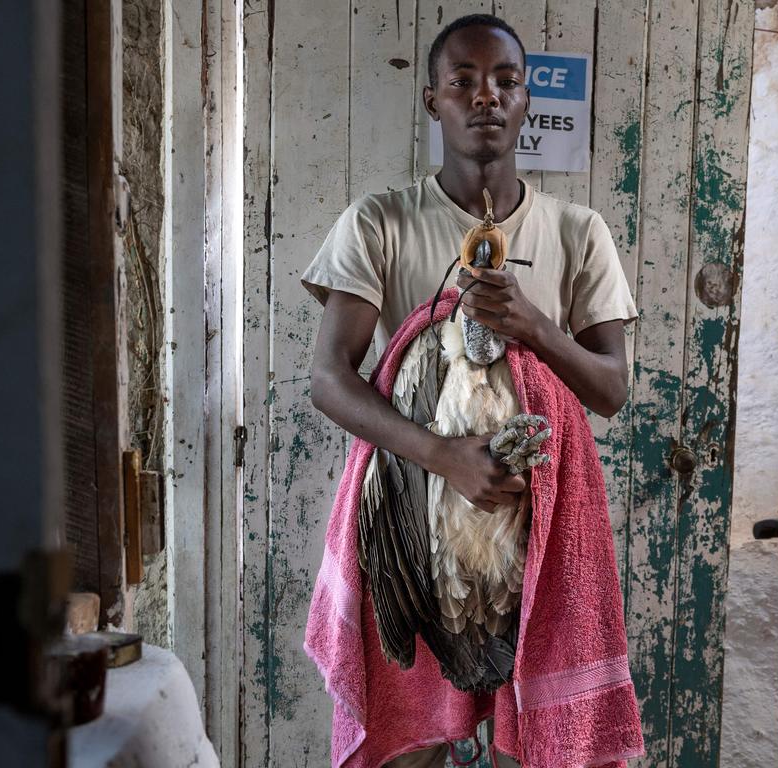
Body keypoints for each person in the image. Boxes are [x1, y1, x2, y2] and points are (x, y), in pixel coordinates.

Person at [301, 13, 638, 767]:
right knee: (408, 743)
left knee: (536, 746)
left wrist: (537, 327)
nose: (484, 96)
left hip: (541, 525)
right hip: (414, 522)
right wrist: (443, 456)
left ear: (526, 103)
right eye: (463, 81)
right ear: (433, 101)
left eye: (505, 82)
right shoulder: (380, 223)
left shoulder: (578, 232)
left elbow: (612, 389)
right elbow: (329, 379)